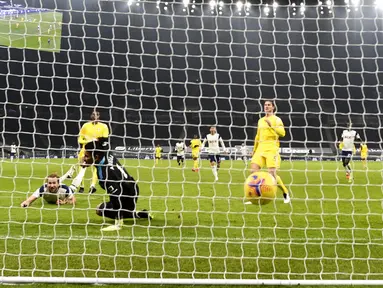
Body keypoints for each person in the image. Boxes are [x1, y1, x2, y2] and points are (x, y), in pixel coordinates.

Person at [83, 138, 152, 231]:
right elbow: (104, 144)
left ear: (96, 157)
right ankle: (139, 213)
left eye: (86, 156)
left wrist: (118, 222)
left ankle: (127, 217)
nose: (84, 158)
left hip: (126, 195)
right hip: (132, 187)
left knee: (99, 209)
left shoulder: (105, 173)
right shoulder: (106, 152)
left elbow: (116, 195)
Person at [251, 100, 290, 204]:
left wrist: (272, 125)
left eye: (269, 105)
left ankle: (285, 192)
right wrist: (254, 149)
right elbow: (257, 136)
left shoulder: (277, 120)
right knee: (253, 172)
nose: (266, 107)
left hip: (271, 148)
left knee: (272, 174)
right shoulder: (260, 120)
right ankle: (255, 196)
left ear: (273, 107)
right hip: (260, 148)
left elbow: (282, 133)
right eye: (265, 105)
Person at [61, 110, 109, 194]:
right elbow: (80, 138)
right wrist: (87, 141)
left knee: (97, 167)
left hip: (97, 151)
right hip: (85, 150)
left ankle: (92, 186)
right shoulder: (85, 126)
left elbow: (105, 139)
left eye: (96, 114)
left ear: (99, 116)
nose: (95, 116)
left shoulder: (104, 126)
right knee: (82, 166)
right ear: (91, 116)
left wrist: (97, 142)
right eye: (93, 114)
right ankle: (81, 186)